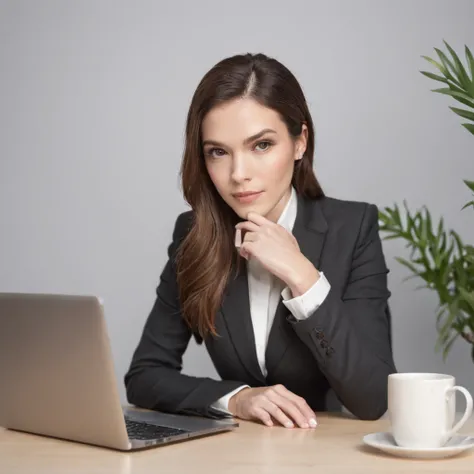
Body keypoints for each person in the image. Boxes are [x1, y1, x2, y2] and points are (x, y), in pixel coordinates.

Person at [124, 52, 397, 429]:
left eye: (261, 145)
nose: (239, 174)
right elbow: (144, 377)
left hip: (329, 455)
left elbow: (374, 398)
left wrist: (303, 276)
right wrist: (237, 398)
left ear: (300, 142)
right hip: (235, 457)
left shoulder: (352, 229)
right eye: (218, 152)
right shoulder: (194, 234)